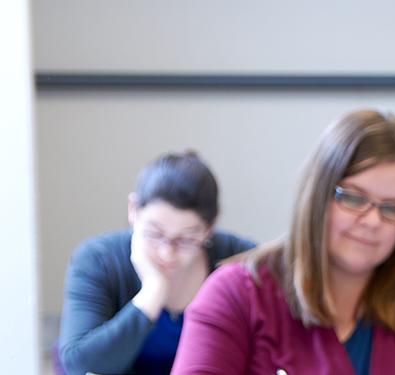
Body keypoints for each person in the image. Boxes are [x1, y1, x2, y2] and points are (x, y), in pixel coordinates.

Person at [172, 109, 395, 374]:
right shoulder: (236, 295)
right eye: (353, 198)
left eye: (392, 207)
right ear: (318, 195)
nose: (372, 221)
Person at [57, 151, 256, 375]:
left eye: (186, 239)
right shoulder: (98, 260)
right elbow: (79, 364)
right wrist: (153, 290)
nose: (167, 252)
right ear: (133, 210)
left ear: (209, 228)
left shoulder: (241, 262)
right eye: (154, 233)